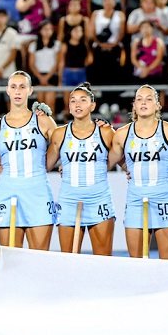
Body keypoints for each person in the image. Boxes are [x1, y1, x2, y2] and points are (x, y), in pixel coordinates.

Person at [108, 85, 168, 259]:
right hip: (135, 200)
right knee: (136, 264)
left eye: (149, 99)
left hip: (164, 199)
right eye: (139, 99)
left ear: (158, 105)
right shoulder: (122, 134)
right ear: (134, 105)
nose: (144, 102)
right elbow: (104, 164)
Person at [0, 71, 57, 250]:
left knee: (40, 260)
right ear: (7, 91)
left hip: (38, 193)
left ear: (30, 91)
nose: (18, 91)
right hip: (8, 193)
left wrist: (46, 166)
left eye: (22, 87)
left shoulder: (44, 121)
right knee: (11, 261)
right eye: (13, 87)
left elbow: (59, 145)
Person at [46, 83, 115, 255]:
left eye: (83, 100)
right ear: (69, 106)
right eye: (73, 101)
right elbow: (44, 166)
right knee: (69, 264)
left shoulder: (106, 133)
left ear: (92, 105)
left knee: (103, 262)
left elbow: (124, 161)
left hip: (99, 200)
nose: (77, 105)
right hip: (69, 201)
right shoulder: (60, 134)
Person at [89, 0, 126, 100]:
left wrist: (113, 44)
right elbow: (92, 32)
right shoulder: (96, 13)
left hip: (115, 48)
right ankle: (101, 101)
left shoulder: (120, 14)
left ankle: (113, 100)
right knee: (100, 74)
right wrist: (101, 44)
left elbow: (122, 32)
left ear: (115, 1)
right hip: (99, 48)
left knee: (114, 75)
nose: (107, 1)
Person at [28, 20, 61, 115]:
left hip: (51, 75)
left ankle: (52, 126)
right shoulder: (33, 45)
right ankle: (41, 126)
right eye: (45, 29)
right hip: (38, 75)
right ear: (40, 31)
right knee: (40, 104)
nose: (48, 31)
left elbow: (57, 63)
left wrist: (47, 77)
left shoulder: (56, 45)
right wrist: (40, 77)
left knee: (50, 103)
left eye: (50, 29)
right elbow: (31, 64)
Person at [60, 24, 92, 113]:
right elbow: (61, 62)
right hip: (68, 72)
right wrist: (60, 78)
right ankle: (67, 116)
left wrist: (82, 64)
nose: (78, 33)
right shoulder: (65, 45)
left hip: (80, 72)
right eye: (76, 31)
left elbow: (90, 59)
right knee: (67, 98)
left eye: (80, 31)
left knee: (81, 96)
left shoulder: (84, 45)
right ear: (71, 32)